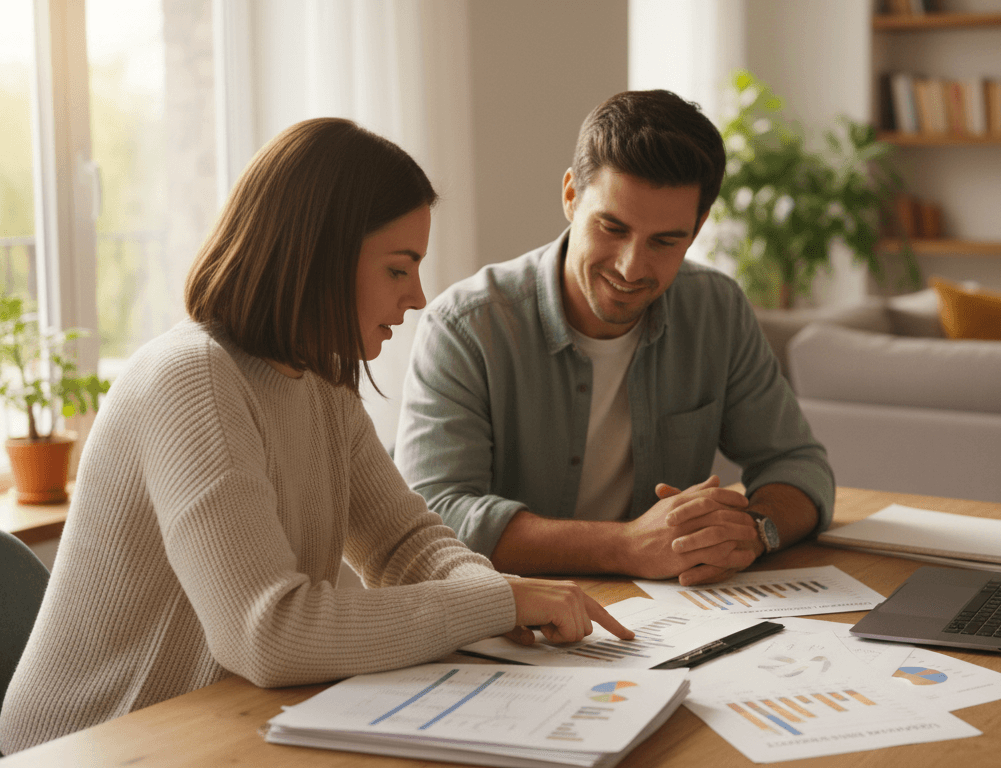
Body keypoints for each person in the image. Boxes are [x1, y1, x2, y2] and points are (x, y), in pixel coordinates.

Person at [0, 118, 629, 755]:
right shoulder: (193, 379)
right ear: (320, 258)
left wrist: (501, 600)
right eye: (398, 269)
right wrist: (498, 604)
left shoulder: (322, 383)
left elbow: (403, 544)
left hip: (207, 729)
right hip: (86, 745)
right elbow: (268, 633)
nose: (417, 297)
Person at [395, 90, 835, 587]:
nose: (631, 267)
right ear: (570, 196)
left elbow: (798, 464)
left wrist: (753, 532)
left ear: (697, 228)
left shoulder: (716, 310)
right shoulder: (465, 326)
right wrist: (625, 546)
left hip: (674, 612)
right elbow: (433, 516)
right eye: (612, 227)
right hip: (516, 613)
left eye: (664, 241)